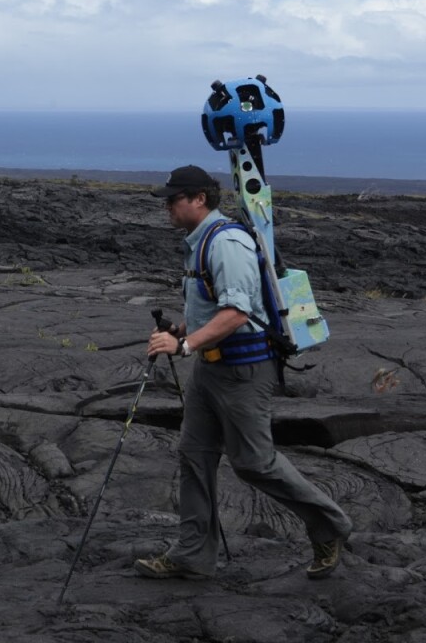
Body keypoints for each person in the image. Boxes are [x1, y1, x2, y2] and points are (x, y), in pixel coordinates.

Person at [133, 165, 352, 581]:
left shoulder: (227, 243)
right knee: (194, 455)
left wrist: (185, 345)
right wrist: (182, 330)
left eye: (173, 199)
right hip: (210, 371)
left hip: (244, 370)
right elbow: (216, 308)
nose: (167, 206)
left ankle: (329, 526)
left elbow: (237, 313)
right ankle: (192, 554)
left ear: (199, 198)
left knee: (254, 463)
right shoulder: (198, 242)